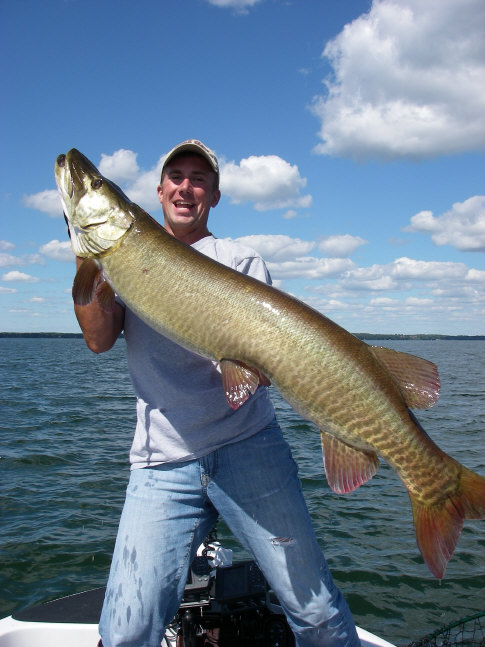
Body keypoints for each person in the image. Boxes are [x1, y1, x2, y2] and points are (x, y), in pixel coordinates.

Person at [73, 139, 360, 647]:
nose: (186, 187)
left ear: (215, 195)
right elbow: (99, 339)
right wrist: (86, 263)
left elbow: (255, 367)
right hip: (161, 459)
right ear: (159, 192)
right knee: (126, 631)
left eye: (199, 178)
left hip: (249, 446)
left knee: (317, 613)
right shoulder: (121, 256)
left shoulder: (240, 260)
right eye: (176, 177)